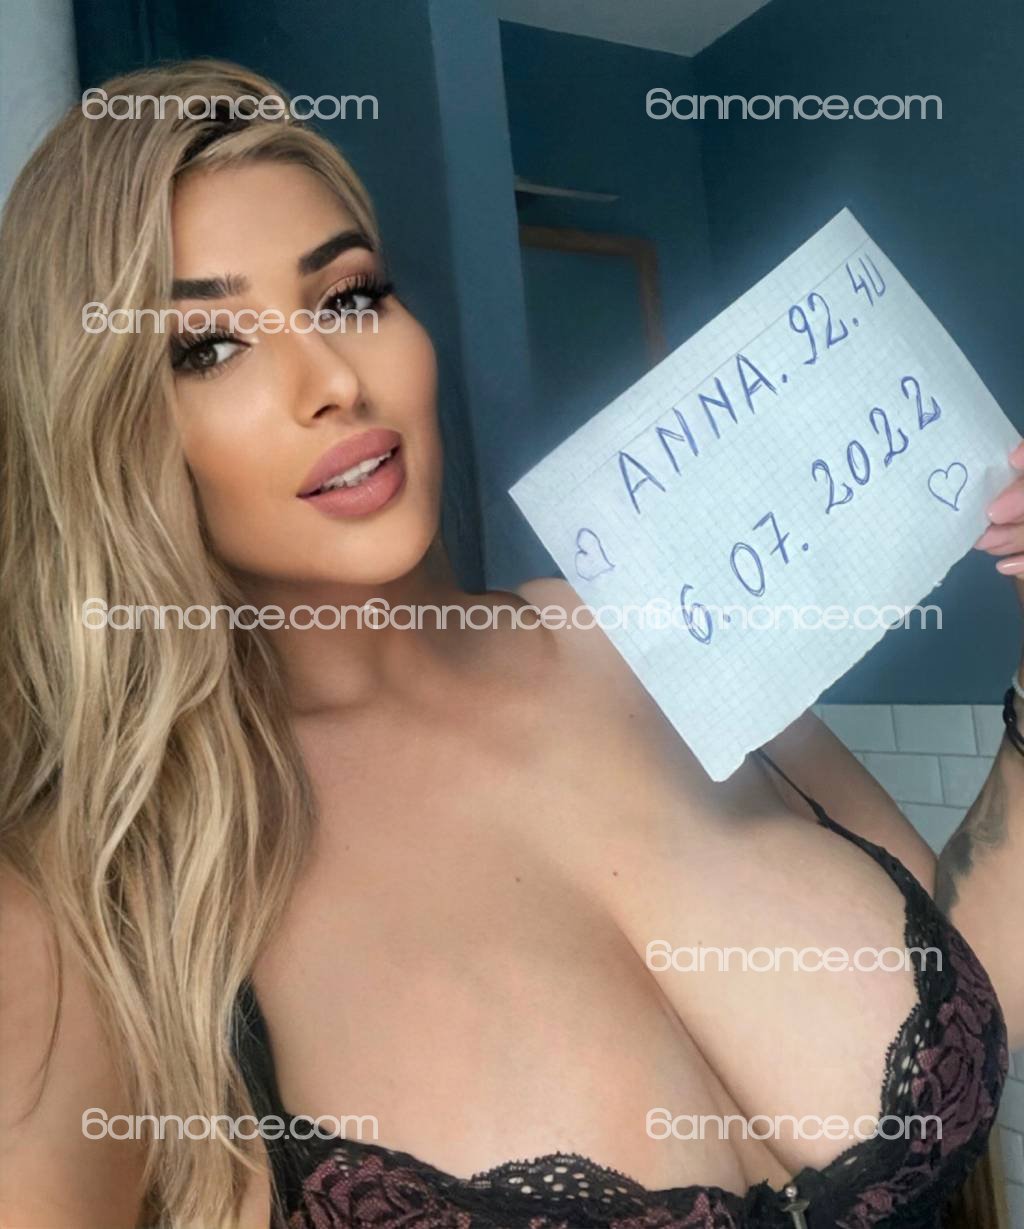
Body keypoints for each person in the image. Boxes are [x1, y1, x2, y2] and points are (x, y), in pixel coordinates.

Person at [0, 60, 1018, 1229]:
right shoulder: (97, 899)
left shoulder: (649, 624)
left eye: (347, 296)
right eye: (209, 346)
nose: (330, 380)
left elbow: (970, 981)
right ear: (108, 428)